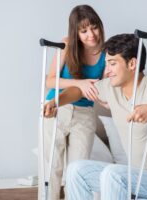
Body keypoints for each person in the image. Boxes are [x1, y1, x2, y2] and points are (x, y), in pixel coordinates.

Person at [44, 33, 147, 199]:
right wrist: (57, 101)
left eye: (112, 64)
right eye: (106, 64)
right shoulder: (110, 88)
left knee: (114, 173)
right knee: (76, 170)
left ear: (132, 64)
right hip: (137, 177)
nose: (107, 71)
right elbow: (79, 90)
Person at [39, 4, 106, 200]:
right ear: (75, 32)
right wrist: (80, 83)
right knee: (51, 170)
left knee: (77, 173)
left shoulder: (107, 53)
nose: (91, 34)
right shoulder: (67, 45)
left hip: (85, 116)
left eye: (94, 27)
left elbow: (103, 88)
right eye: (83, 31)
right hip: (56, 109)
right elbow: (50, 80)